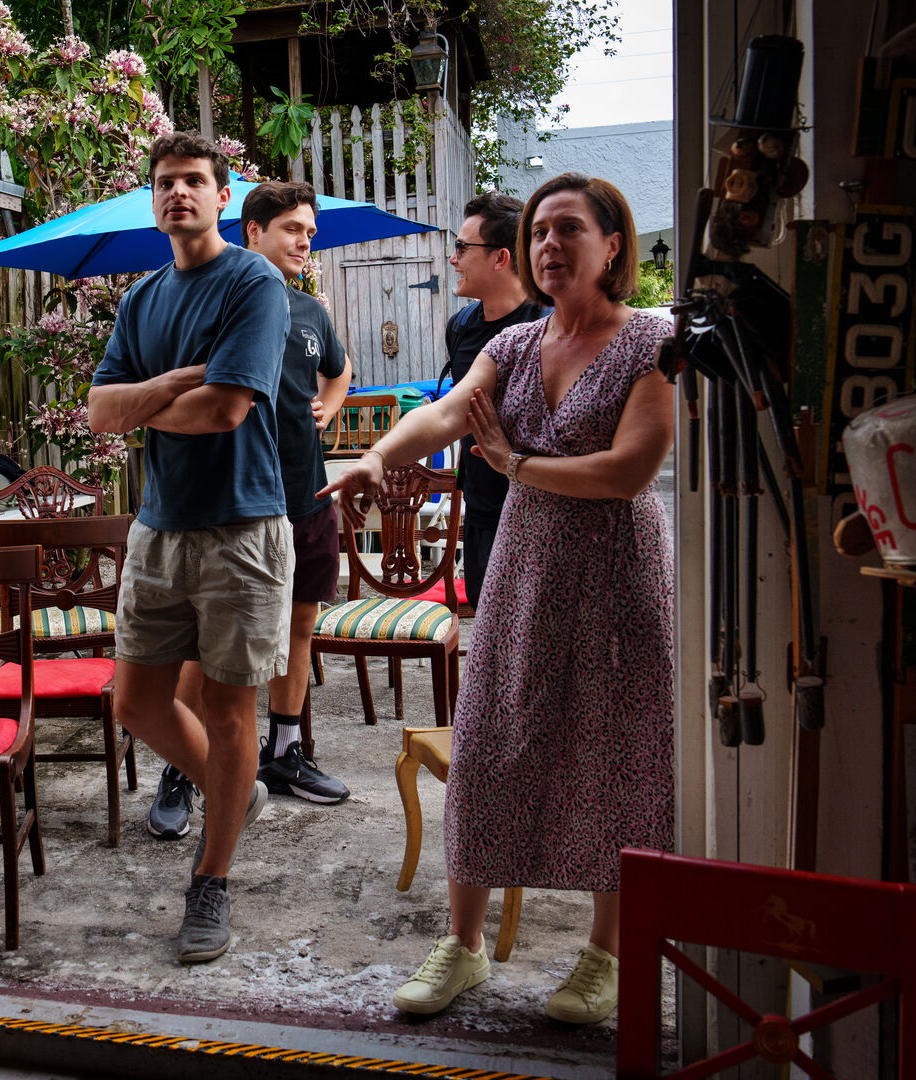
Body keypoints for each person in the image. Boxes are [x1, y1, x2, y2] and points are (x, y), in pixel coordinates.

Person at [320, 173, 675, 1023]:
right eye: (542, 231)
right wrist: (378, 458)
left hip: (616, 573)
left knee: (615, 754)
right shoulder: (514, 347)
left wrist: (516, 466)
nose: (551, 244)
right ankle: (464, 946)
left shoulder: (652, 342)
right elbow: (444, 415)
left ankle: (604, 958)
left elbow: (629, 471)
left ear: (613, 244)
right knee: (487, 746)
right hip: (524, 568)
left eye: (570, 229)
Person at [86, 133, 293, 964]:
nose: (180, 194)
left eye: (195, 182)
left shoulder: (255, 282)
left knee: (228, 710)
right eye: (166, 183)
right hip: (159, 529)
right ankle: (232, 797)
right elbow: (101, 414)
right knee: (134, 703)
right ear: (154, 199)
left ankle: (211, 881)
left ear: (221, 195)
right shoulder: (141, 301)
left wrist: (143, 400)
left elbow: (226, 412)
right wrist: (173, 382)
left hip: (241, 528)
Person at [149, 180, 354, 840]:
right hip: (235, 505)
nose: (305, 240)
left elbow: (339, 368)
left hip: (308, 494)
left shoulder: (309, 309)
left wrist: (334, 403)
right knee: (202, 645)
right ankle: (183, 767)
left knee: (300, 625)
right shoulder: (215, 304)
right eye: (293, 228)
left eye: (310, 230)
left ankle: (285, 751)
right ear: (252, 232)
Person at [438, 192, 547, 604]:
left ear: (501, 258)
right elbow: (454, 410)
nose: (453, 258)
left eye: (462, 247)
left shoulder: (548, 325)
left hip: (537, 509)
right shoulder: (461, 326)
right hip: (481, 506)